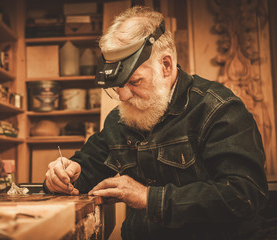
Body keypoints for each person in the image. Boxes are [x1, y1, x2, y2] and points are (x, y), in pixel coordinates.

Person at [44, 6, 268, 240]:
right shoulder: (121, 118)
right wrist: (63, 175)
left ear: (167, 65)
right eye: (116, 86)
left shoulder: (217, 109)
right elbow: (87, 167)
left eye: (134, 81)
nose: (123, 96)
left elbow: (246, 194)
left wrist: (149, 198)